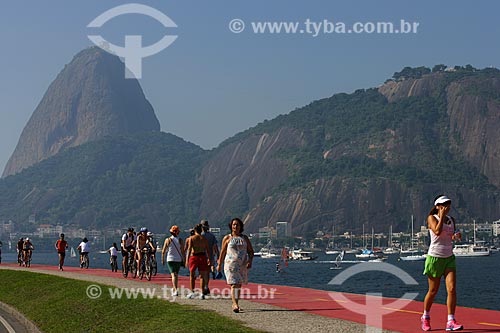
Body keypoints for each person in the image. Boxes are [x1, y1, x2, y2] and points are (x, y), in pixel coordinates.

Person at [421, 195, 463, 331]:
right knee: (433, 291)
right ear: (438, 206)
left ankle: (451, 320)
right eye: (444, 204)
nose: (447, 207)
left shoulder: (451, 220)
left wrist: (455, 237)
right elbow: (438, 232)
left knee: (451, 289)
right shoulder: (432, 218)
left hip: (449, 258)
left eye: (448, 204)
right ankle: (425, 317)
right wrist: (441, 215)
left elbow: (448, 236)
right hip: (434, 258)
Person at [218, 218, 254, 313]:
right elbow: (222, 252)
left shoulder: (245, 238)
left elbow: (251, 251)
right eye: (234, 224)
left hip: (242, 265)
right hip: (231, 265)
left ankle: (236, 303)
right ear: (231, 226)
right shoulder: (227, 238)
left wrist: (250, 261)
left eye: (237, 224)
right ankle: (235, 304)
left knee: (239, 284)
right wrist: (219, 264)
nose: (235, 226)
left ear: (241, 226)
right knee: (234, 284)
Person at [185, 223, 211, 299]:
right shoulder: (204, 239)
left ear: (195, 230)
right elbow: (208, 250)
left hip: (194, 256)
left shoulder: (192, 238)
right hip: (203, 256)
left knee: (192, 275)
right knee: (202, 276)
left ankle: (192, 292)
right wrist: (209, 258)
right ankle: (202, 293)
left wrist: (187, 260)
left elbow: (189, 249)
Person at [161, 225, 185, 296]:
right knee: (176, 275)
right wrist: (184, 260)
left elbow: (163, 251)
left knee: (173, 275)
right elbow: (183, 251)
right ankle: (175, 288)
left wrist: (162, 259)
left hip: (170, 259)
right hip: (178, 259)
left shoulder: (168, 240)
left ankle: (175, 289)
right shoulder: (180, 240)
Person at [201, 220, 219, 291]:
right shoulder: (212, 236)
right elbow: (215, 246)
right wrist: (218, 255)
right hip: (210, 255)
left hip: (201, 255)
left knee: (202, 272)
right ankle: (206, 286)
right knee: (208, 272)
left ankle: (203, 287)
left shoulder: (200, 236)